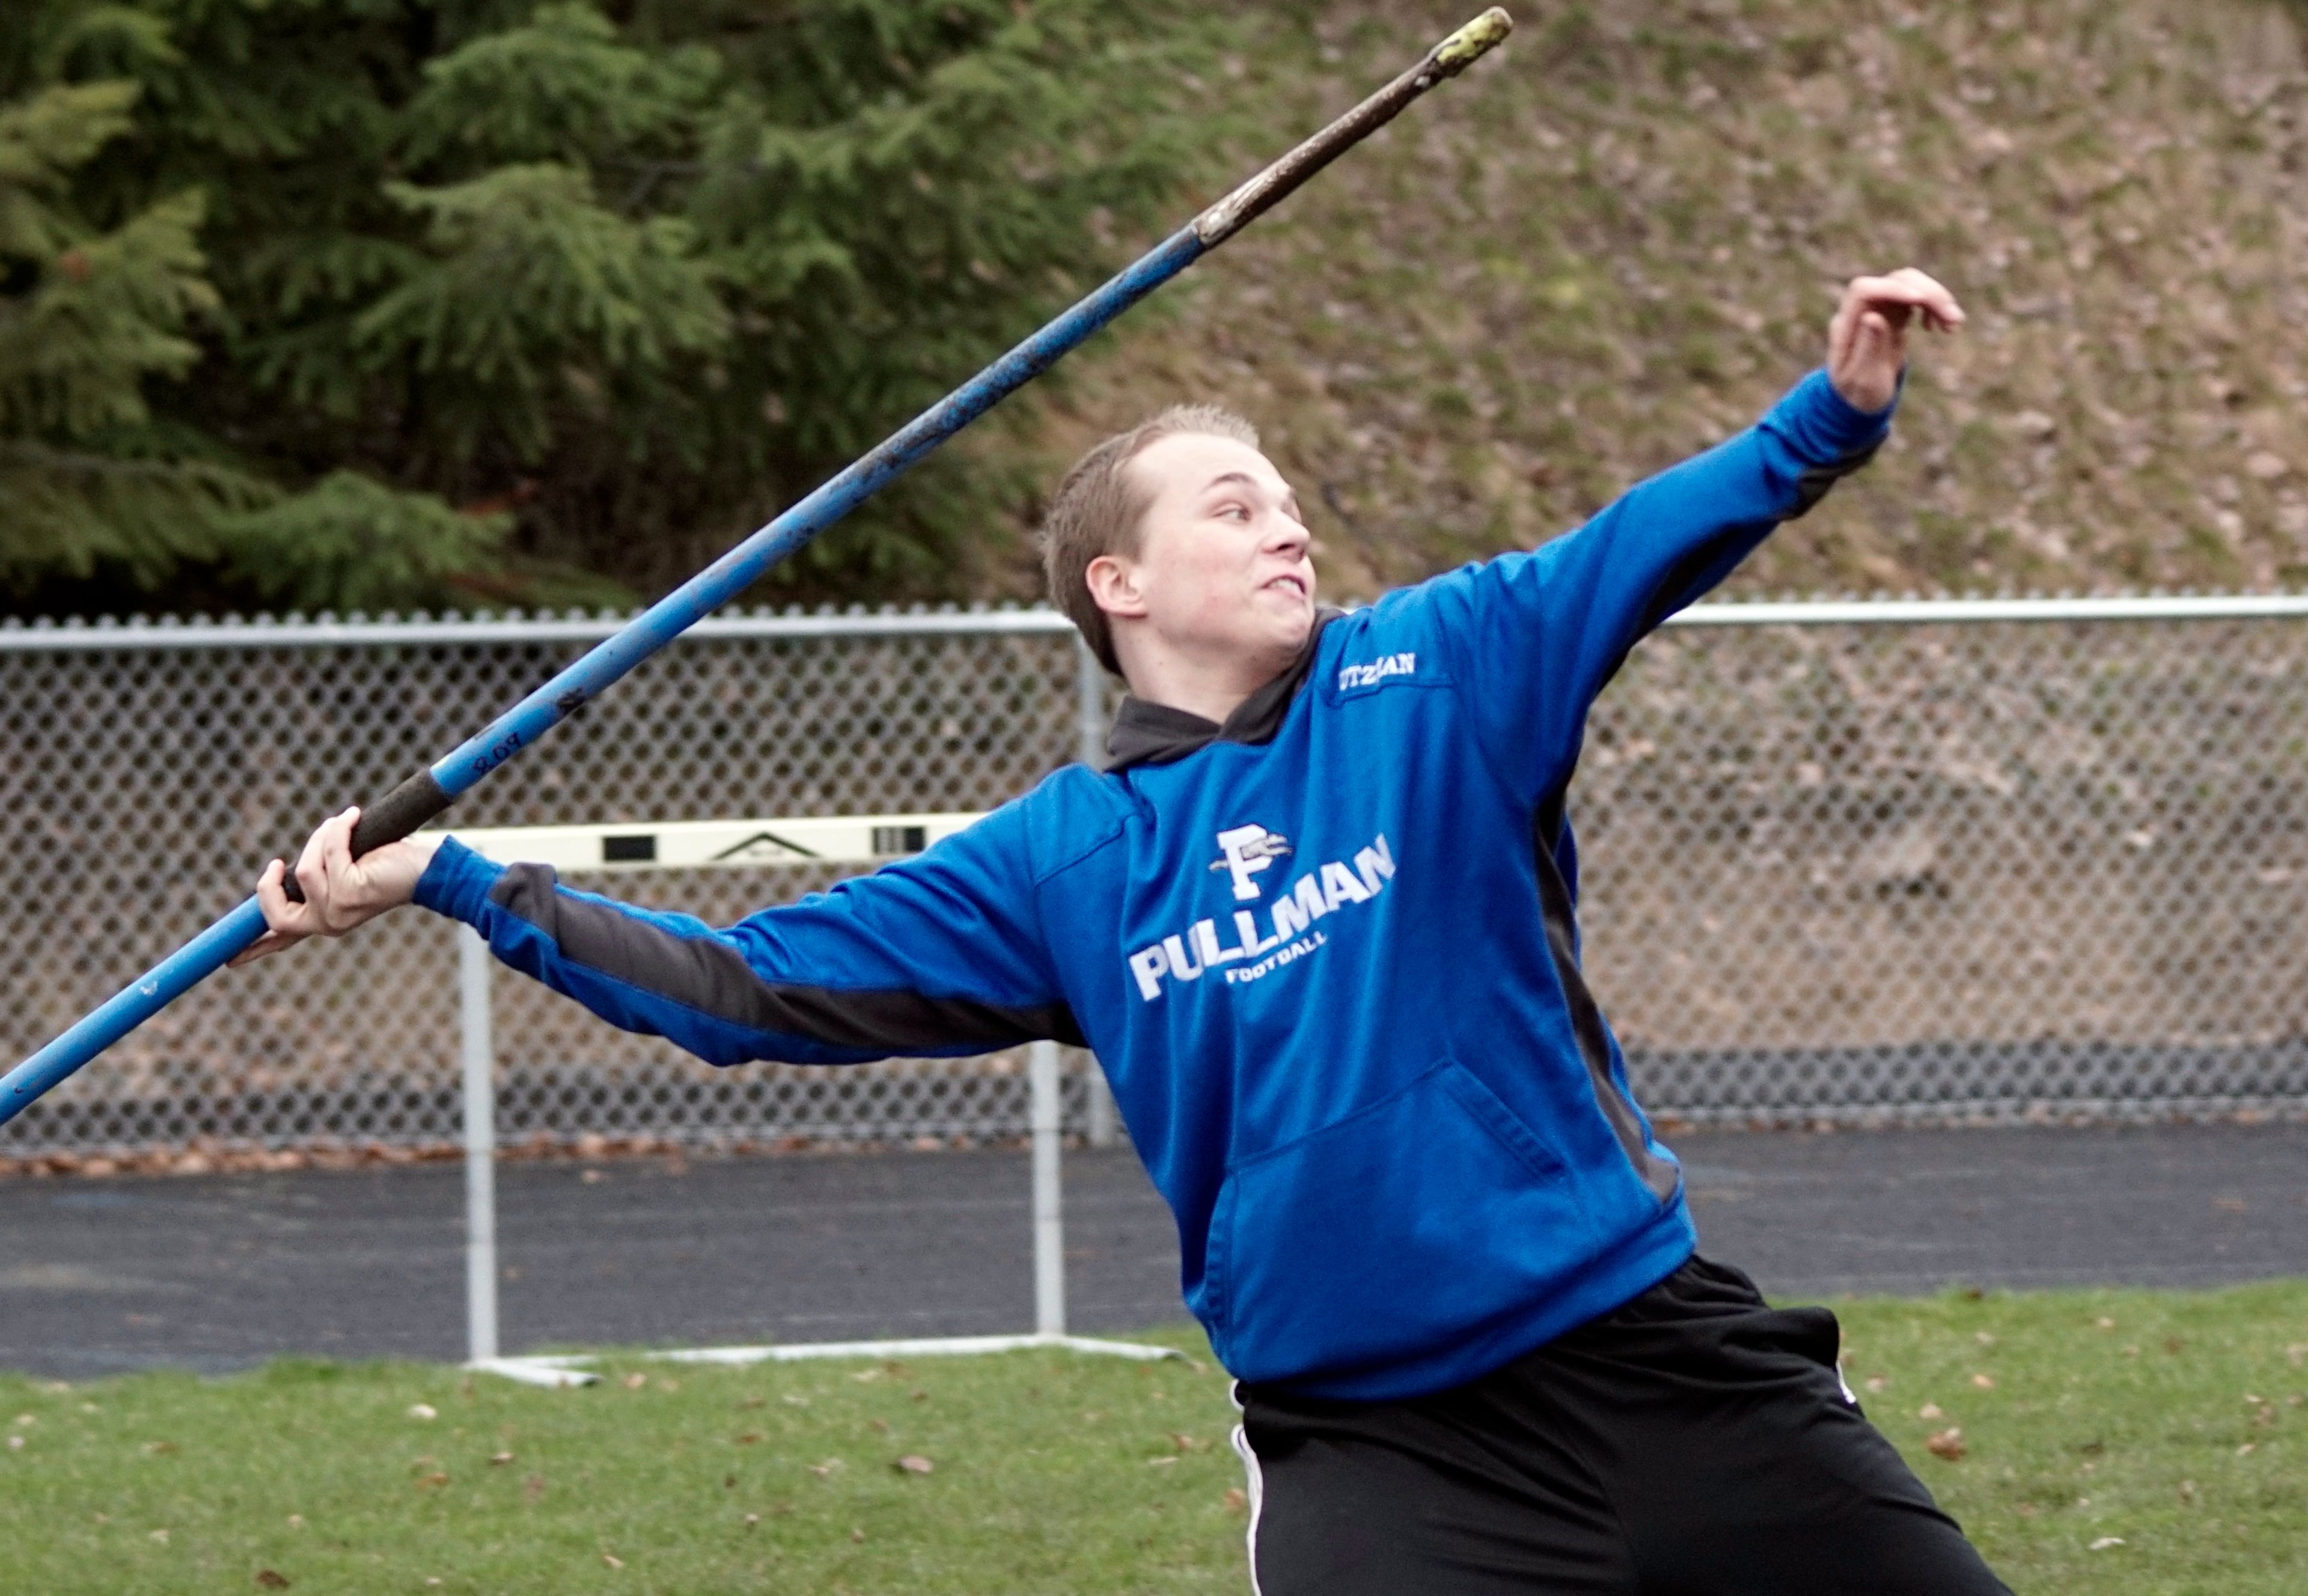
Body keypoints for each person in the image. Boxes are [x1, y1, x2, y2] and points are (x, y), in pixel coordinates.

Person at [243, 269, 2005, 1595]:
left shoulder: (1436, 678)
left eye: (1290, 496)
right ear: (1122, 584)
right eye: (1233, 504)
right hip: (1387, 1458)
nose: (1288, 520)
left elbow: (1631, 549)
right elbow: (749, 985)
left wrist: (1825, 421)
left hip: (1657, 1365)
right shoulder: (1064, 863)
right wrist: (458, 880)